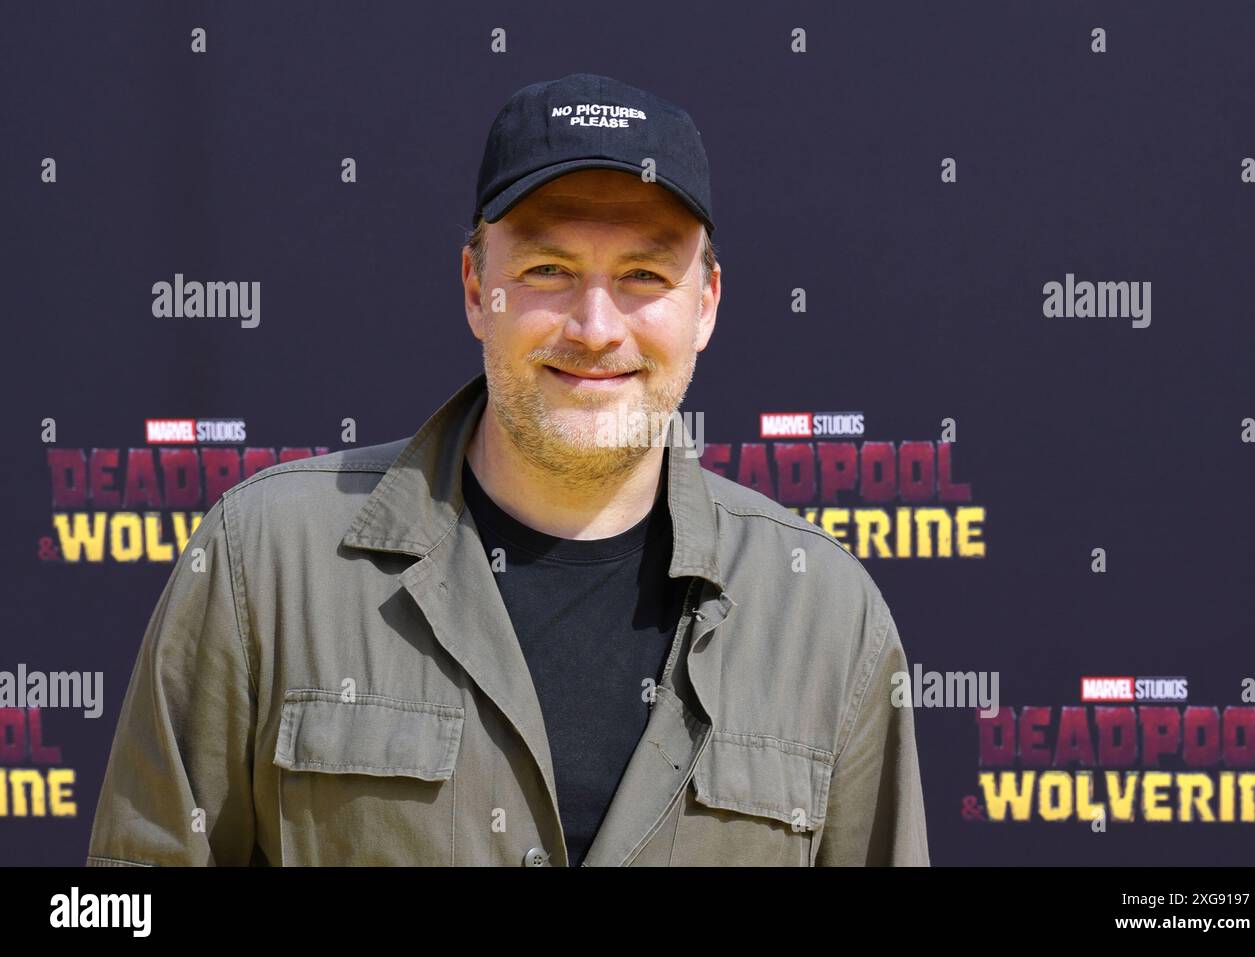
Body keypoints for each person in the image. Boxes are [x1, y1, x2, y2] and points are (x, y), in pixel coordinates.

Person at [86, 72, 929, 866]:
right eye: (547, 270)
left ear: (705, 305)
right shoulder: (264, 563)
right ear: (472, 286)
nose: (596, 327)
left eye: (643, 274)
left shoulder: (827, 619)